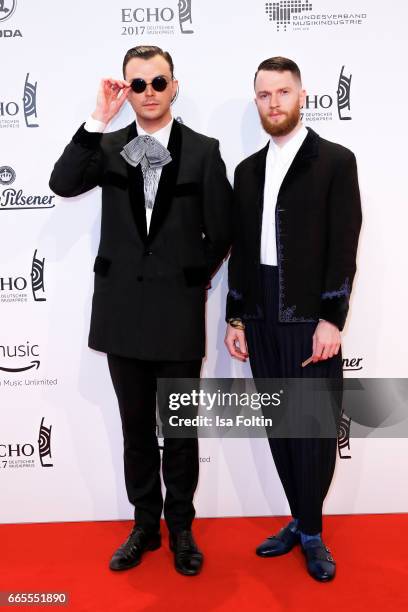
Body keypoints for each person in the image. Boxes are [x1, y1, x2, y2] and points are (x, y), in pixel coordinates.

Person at [50, 45, 232, 576]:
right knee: (135, 429)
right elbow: (62, 183)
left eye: (158, 82)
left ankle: (181, 528)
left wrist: (191, 278)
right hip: (122, 313)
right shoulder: (107, 147)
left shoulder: (202, 149)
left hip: (176, 315)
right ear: (126, 89)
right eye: (138, 84)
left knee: (178, 430)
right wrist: (97, 119)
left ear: (174, 85)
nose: (149, 92)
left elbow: (221, 230)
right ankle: (144, 525)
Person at [225, 56, 362, 582]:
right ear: (256, 100)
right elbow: (240, 247)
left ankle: (311, 531)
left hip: (309, 321)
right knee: (281, 431)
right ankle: (300, 521)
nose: (274, 102)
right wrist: (236, 318)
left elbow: (343, 245)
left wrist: (332, 318)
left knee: (312, 431)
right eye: (264, 94)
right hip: (260, 317)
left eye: (283, 92)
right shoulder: (247, 170)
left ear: (302, 96)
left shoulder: (334, 160)